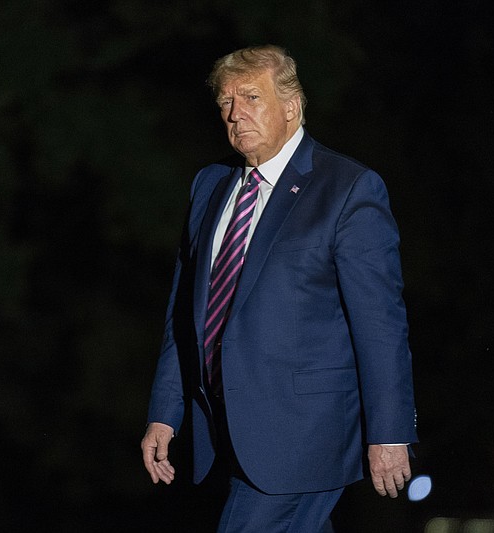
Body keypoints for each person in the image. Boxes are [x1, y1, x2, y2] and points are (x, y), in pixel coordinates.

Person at [141, 44, 418, 532]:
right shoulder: (210, 185)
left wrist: (390, 432)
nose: (234, 113)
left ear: (292, 107)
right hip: (229, 431)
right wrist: (166, 412)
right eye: (225, 101)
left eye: (250, 97)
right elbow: (183, 312)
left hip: (306, 433)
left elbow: (380, 324)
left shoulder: (348, 189)